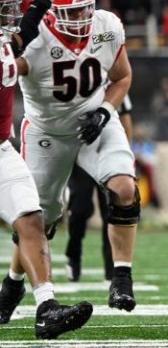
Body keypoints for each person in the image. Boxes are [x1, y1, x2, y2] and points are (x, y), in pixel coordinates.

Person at [15, 0, 140, 312]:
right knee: (37, 218)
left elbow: (122, 77)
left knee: (124, 189)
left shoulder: (106, 26)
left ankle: (121, 278)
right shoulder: (34, 40)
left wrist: (104, 111)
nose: (82, 17)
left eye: (85, 8)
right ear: (52, 13)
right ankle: (12, 283)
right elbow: (6, 65)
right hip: (46, 132)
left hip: (92, 122)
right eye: (72, 11)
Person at [0, 0, 93, 339]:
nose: (10, 14)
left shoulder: (5, 43)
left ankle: (45, 307)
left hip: (1, 150)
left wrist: (41, 1)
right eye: (4, 8)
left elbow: (22, 35)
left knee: (31, 217)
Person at [65, 96, 133, 282]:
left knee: (111, 210)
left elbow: (125, 117)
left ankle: (113, 270)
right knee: (79, 209)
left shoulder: (116, 85)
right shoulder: (78, 84)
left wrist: (126, 157)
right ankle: (73, 256)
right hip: (80, 153)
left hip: (108, 155)